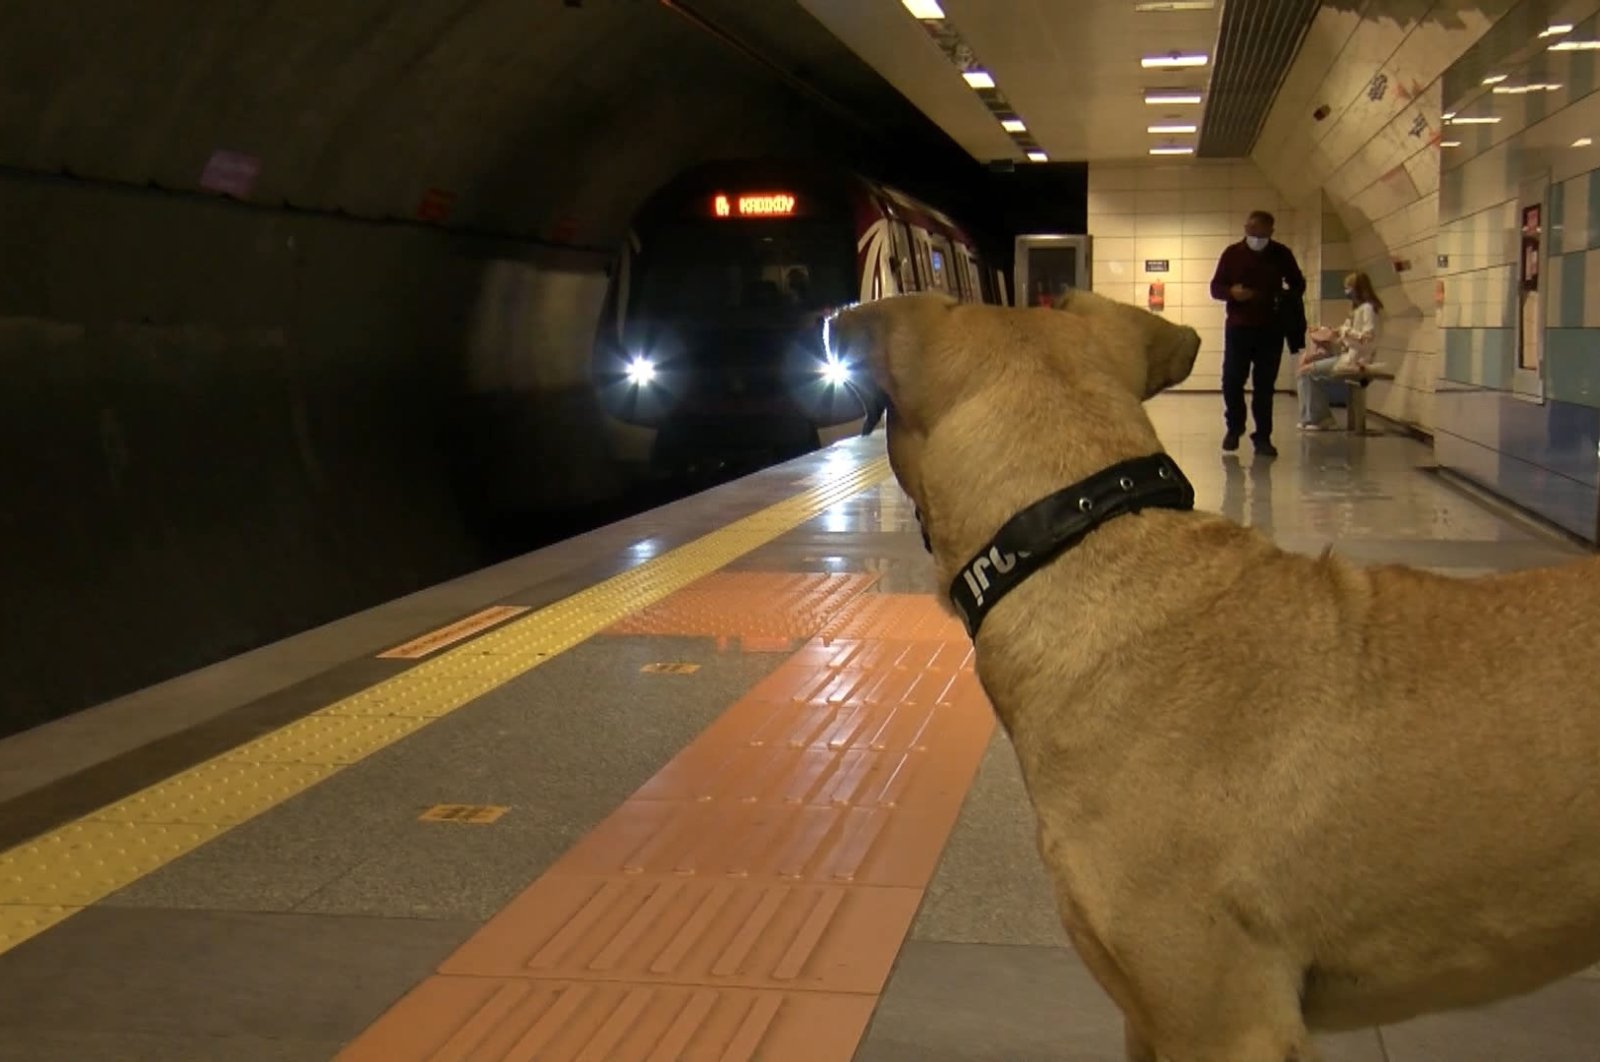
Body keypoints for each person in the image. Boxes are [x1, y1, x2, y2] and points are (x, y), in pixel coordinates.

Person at [1208, 210, 1306, 457]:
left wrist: (1281, 297)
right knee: (1231, 380)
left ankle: (1262, 436)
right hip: (1239, 327)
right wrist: (1232, 292)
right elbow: (1215, 287)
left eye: (1261, 232)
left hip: (1271, 327)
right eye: (1251, 231)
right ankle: (1235, 427)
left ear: (1271, 231)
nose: (1255, 236)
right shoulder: (1232, 254)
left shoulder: (1281, 254)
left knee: (1265, 385)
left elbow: (1298, 284)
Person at [1297, 271, 1383, 431]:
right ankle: (1309, 416)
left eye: (1348, 287)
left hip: (1358, 361)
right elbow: (1346, 335)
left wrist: (1345, 332)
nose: (1346, 291)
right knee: (1305, 368)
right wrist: (1329, 332)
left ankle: (1319, 418)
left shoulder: (1368, 309)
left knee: (1307, 372)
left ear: (1358, 289)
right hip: (1351, 356)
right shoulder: (1359, 310)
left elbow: (1366, 338)